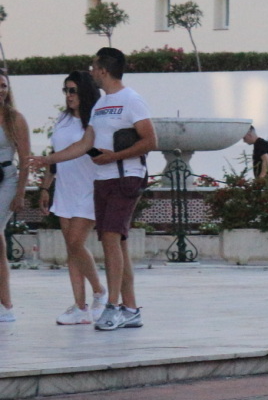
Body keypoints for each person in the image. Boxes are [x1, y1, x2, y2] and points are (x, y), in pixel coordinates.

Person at [32, 48, 156, 331]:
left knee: (110, 238)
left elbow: (150, 140)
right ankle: (130, 308)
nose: (92, 71)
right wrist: (48, 160)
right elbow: (84, 145)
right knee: (118, 243)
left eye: (94, 67)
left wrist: (113, 157)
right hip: (103, 180)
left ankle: (111, 305)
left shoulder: (131, 100)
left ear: (102, 70)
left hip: (126, 177)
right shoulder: (101, 106)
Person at [38, 71, 107, 325]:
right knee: (71, 249)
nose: (68, 96)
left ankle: (99, 290)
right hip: (65, 190)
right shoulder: (62, 119)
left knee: (77, 243)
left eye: (73, 91)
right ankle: (80, 307)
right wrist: (46, 188)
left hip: (89, 188)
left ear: (85, 92)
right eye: (66, 91)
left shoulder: (96, 120)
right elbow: (54, 156)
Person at [0, 71, 32, 324]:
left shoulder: (15, 119)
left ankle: (6, 303)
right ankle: (5, 302)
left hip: (6, 178)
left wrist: (21, 192)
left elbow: (25, 160)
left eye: (3, 85)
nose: (1, 89)